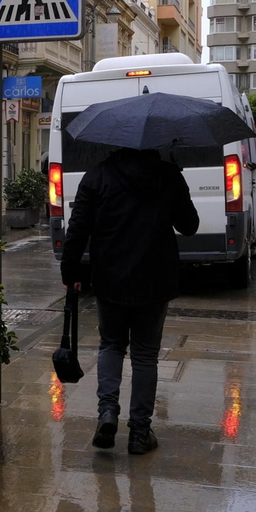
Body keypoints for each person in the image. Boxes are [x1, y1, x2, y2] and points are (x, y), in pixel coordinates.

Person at [60, 147, 199, 455]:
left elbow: (78, 227)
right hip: (155, 279)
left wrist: (70, 271)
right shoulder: (167, 176)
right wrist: (177, 181)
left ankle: (107, 412)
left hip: (111, 277)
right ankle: (139, 433)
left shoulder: (97, 176)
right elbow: (190, 226)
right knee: (145, 355)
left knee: (111, 345)